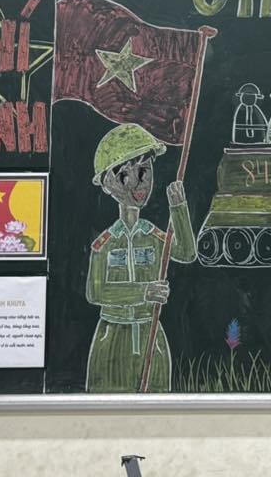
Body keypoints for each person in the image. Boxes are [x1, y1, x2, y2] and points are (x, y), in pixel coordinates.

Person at [85, 123, 195, 392]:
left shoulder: (152, 236)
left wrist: (179, 208)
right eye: (125, 175)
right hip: (112, 337)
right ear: (108, 184)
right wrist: (145, 291)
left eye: (145, 171)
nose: (139, 182)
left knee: (156, 403)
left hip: (150, 334)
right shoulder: (104, 244)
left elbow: (186, 253)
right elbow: (96, 292)